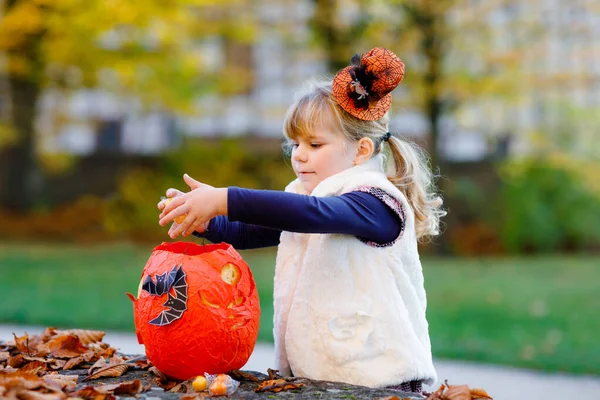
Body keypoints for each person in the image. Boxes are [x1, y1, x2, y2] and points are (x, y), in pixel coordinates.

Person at [158, 47, 445, 393]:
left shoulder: (376, 202)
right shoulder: (311, 197)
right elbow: (256, 230)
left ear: (362, 151)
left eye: (315, 143)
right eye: (295, 144)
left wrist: (225, 198)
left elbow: (312, 216)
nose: (300, 155)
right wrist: (208, 220)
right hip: (325, 379)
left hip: (383, 382)